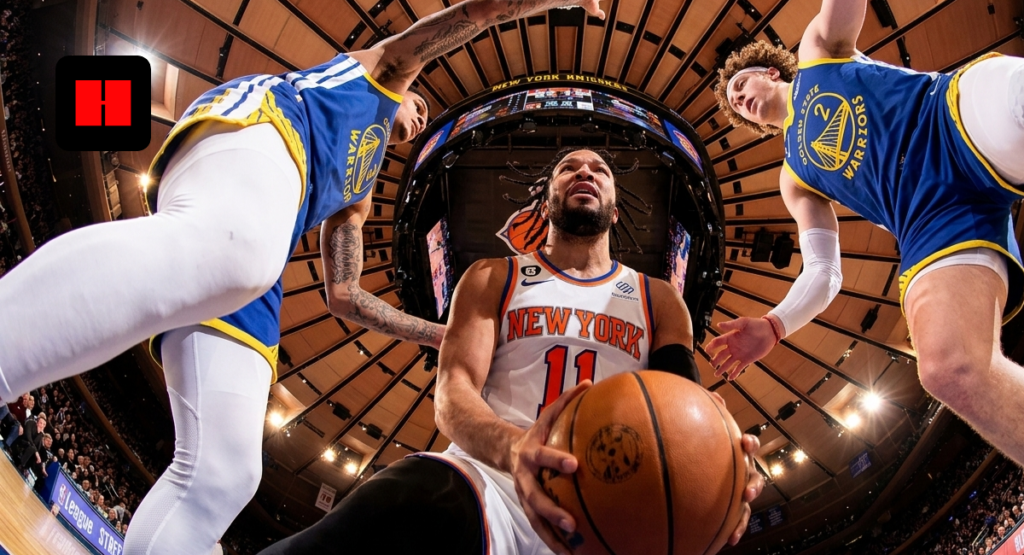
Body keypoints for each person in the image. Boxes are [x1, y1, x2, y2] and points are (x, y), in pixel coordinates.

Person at [1, 2, 612, 553]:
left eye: (422, 114)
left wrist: (443, 333)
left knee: (225, 470)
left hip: (263, 244)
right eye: (418, 102)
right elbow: (472, 18)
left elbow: (344, 297)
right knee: (239, 252)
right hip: (264, 130)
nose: (418, 114)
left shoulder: (357, 194)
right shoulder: (381, 72)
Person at [257, 148, 764, 555]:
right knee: (416, 495)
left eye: (600, 169)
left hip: (614, 499)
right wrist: (514, 449)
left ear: (615, 203)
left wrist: (723, 466)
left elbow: (684, 402)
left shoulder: (659, 297)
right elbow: (453, 394)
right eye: (568, 167)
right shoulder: (493, 276)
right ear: (546, 200)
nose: (585, 172)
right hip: (493, 480)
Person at [707, 0, 1024, 465]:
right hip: (928, 221)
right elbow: (824, 271)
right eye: (735, 104)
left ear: (770, 72)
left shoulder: (817, 50)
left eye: (740, 84)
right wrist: (776, 325)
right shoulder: (793, 179)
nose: (739, 99)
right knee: (947, 369)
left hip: (949, 121)